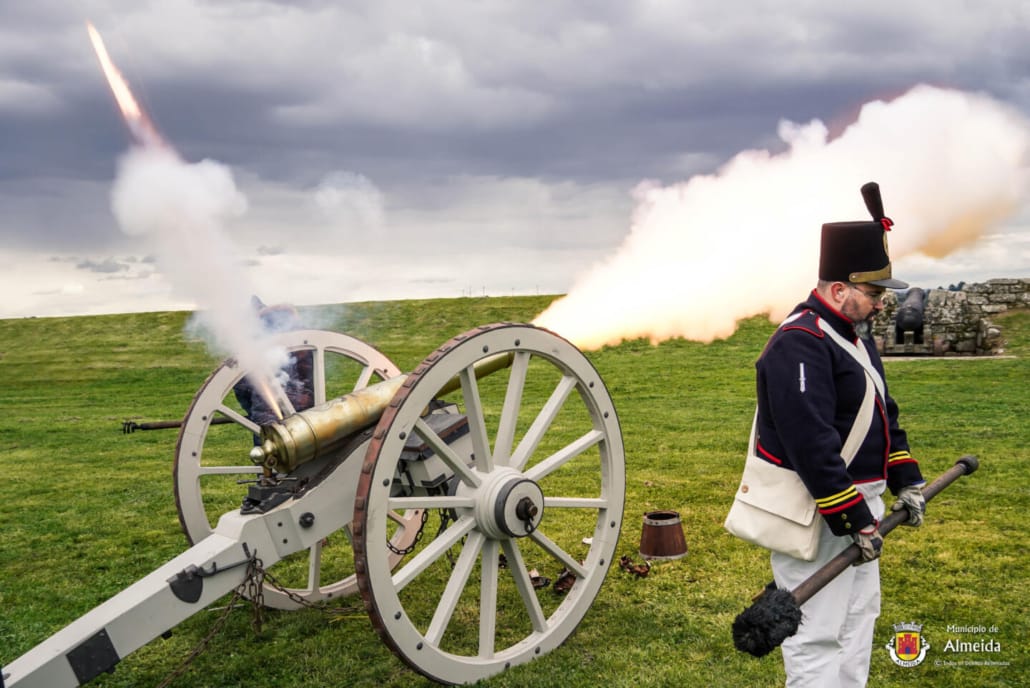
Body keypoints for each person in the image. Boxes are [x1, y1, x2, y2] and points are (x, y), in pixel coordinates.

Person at [753, 183, 927, 687]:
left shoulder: (851, 338)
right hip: (821, 509)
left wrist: (905, 481)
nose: (878, 304)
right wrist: (852, 518)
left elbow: (882, 414)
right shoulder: (800, 342)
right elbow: (811, 441)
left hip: (860, 505)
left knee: (857, 623)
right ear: (838, 290)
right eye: (872, 293)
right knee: (815, 634)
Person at [233, 298, 314, 431]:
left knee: (270, 448)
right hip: (303, 411)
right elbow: (309, 372)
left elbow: (241, 388)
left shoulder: (250, 348)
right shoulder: (301, 338)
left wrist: (253, 410)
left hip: (267, 418)